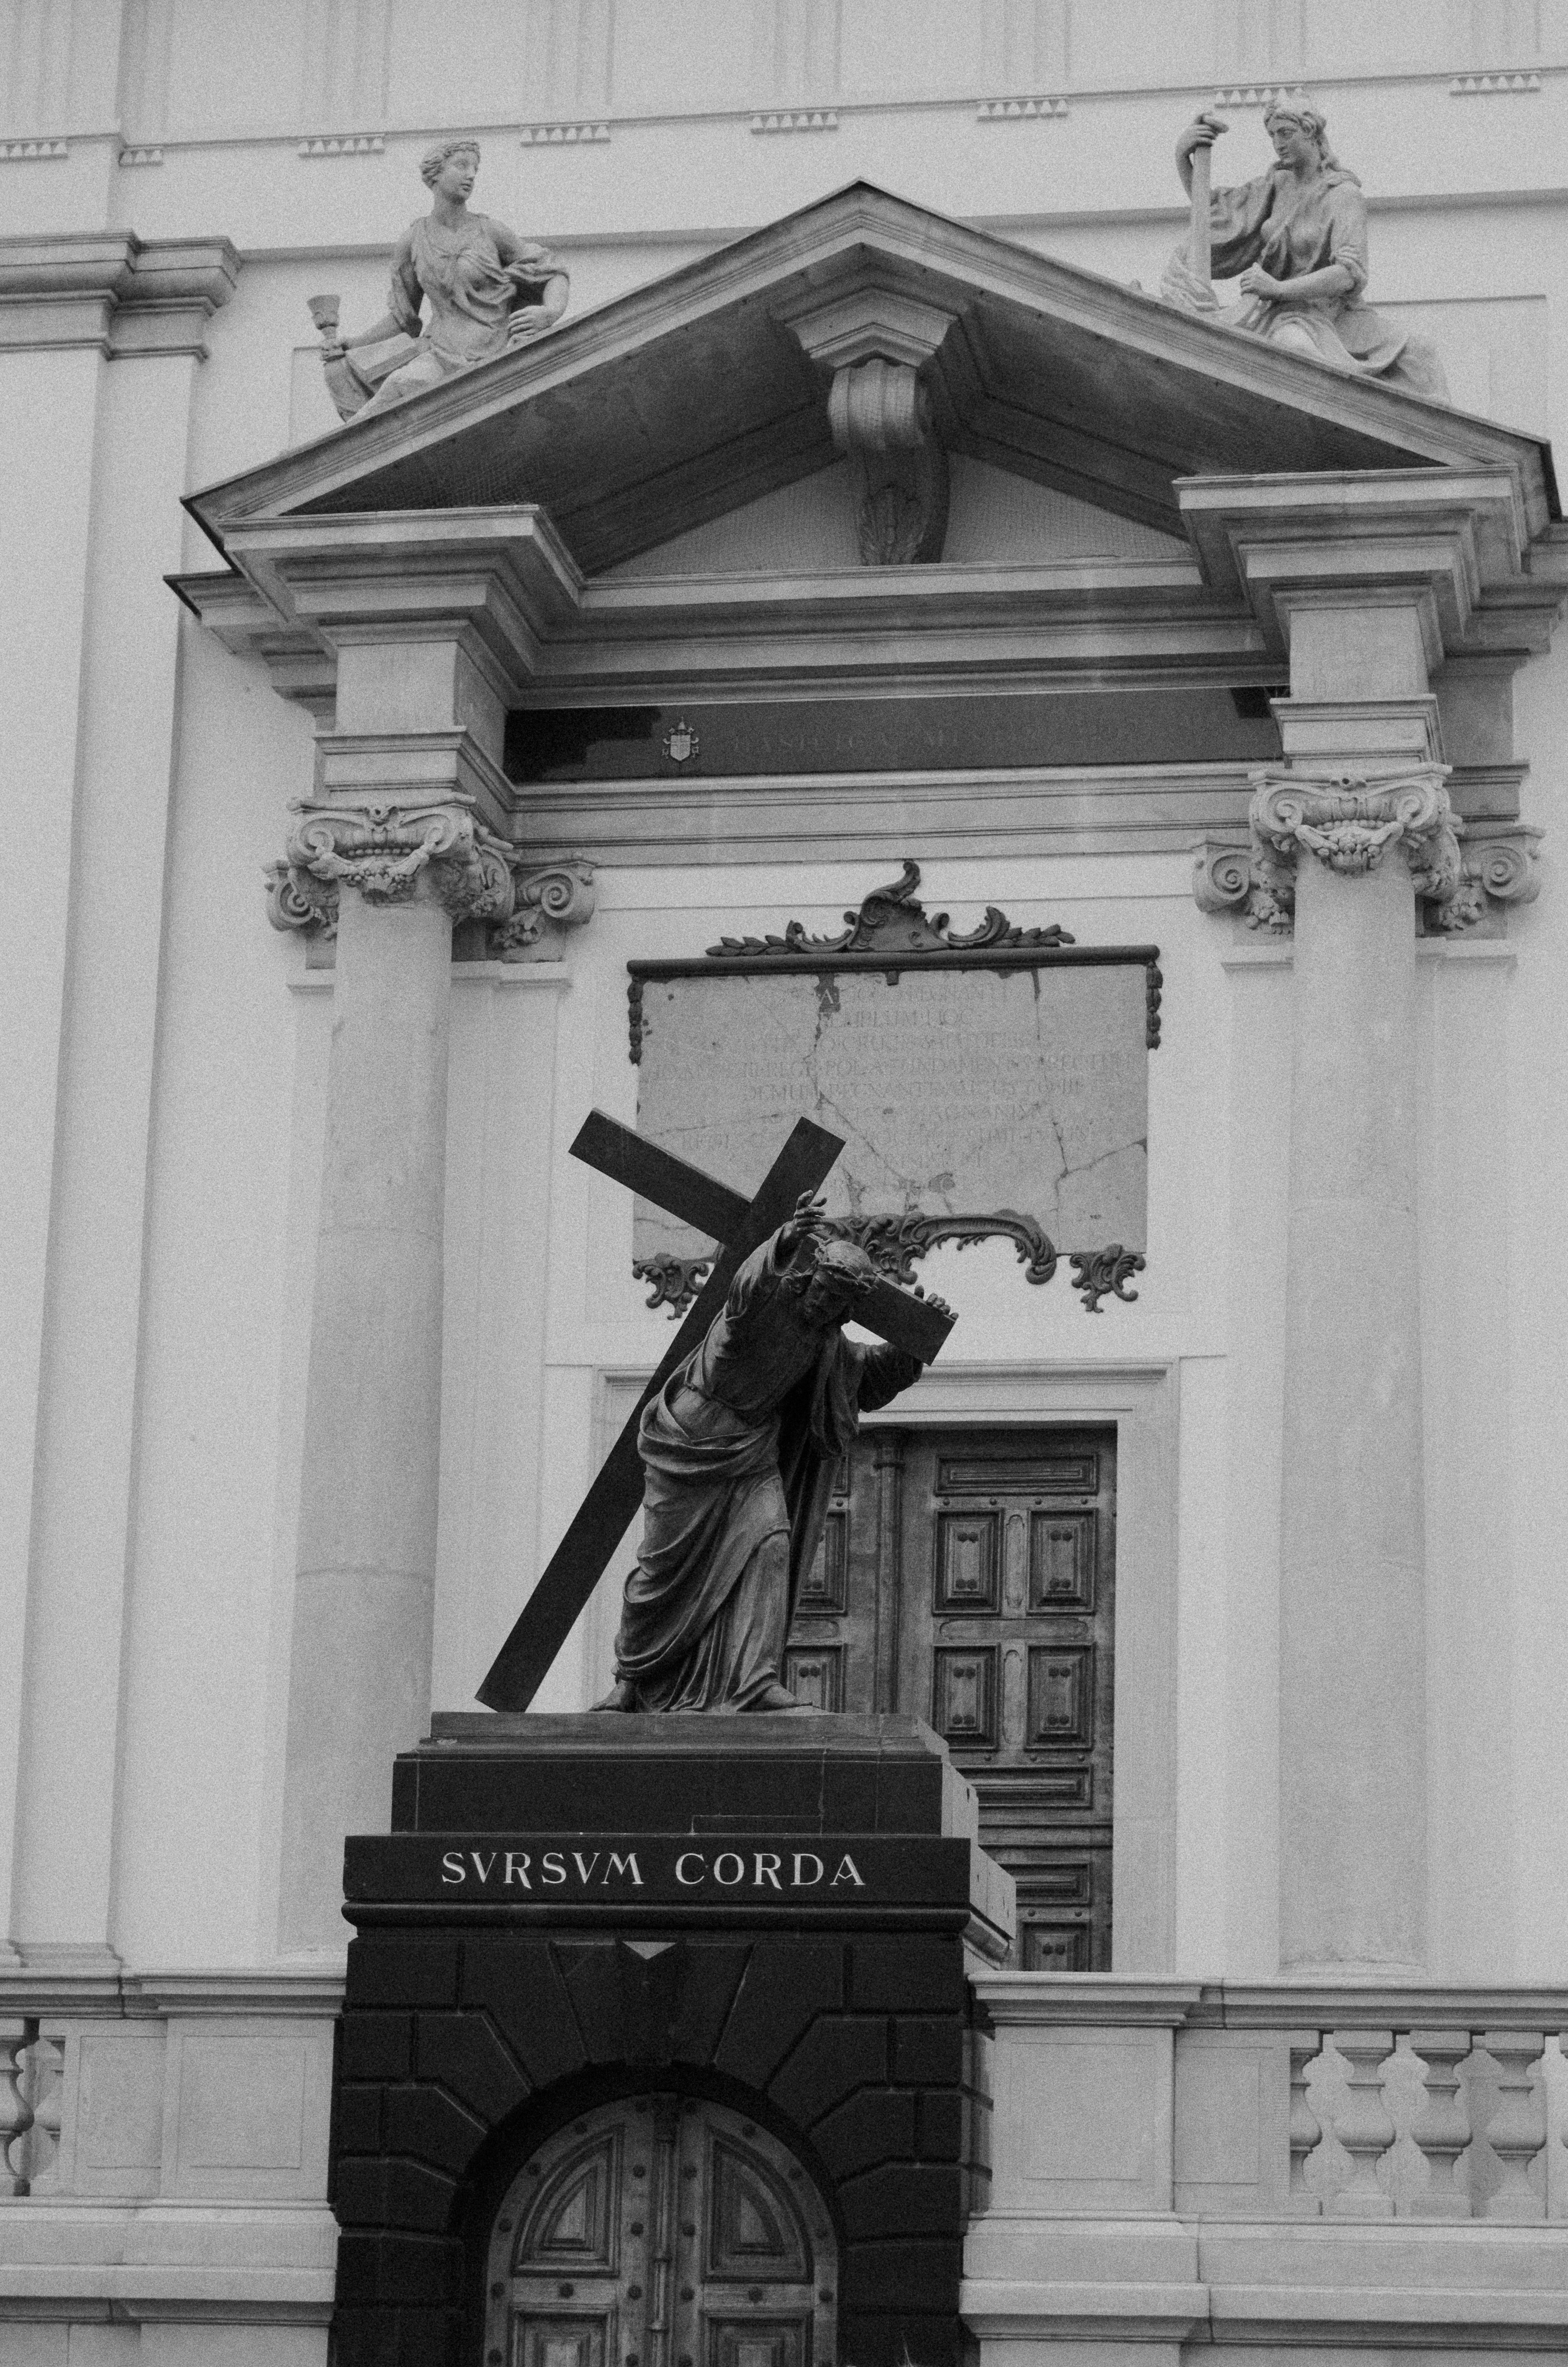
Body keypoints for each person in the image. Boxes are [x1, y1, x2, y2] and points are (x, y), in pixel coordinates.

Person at [595, 1196, 949, 1713]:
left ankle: (754, 1680)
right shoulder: (763, 1306)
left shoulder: (825, 1343)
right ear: (809, 1277)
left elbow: (866, 1381)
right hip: (689, 1441)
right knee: (660, 1569)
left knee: (771, 1547)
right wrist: (782, 1240)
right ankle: (631, 1677)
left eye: (835, 1304)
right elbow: (744, 1290)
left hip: (751, 1452)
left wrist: (913, 1346)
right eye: (822, 1291)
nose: (822, 1306)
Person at [1161, 97, 1448, 400]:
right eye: (1273, 136)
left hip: (1331, 312)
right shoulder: (1276, 185)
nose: (1278, 144)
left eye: (1286, 134)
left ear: (1311, 134)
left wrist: (1278, 288)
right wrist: (1184, 158)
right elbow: (1216, 216)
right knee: (1295, 348)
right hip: (1281, 314)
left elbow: (1348, 274)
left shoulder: (1344, 196)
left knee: (1420, 354)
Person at [317, 137, 568, 420]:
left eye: (475, 168)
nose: (471, 175)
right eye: (461, 166)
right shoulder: (413, 240)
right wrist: (353, 343)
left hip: (494, 354)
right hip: (440, 353)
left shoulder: (491, 232)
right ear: (435, 174)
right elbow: (404, 319)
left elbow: (551, 271)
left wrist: (551, 312)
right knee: (397, 388)